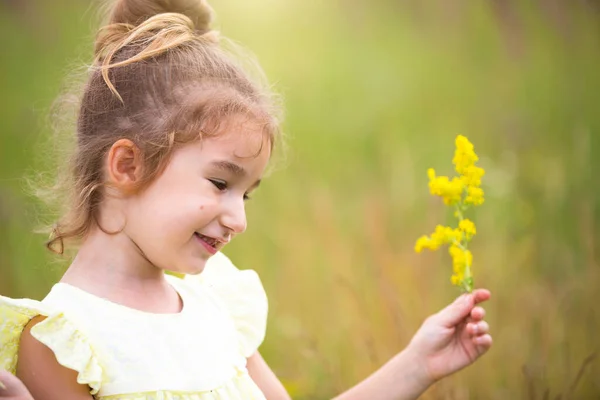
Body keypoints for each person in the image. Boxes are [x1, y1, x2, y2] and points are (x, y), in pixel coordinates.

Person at [0, 0, 493, 399]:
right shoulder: (62, 341)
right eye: (220, 183)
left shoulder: (215, 306)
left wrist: (417, 364)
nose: (238, 218)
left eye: (247, 195)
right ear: (127, 166)